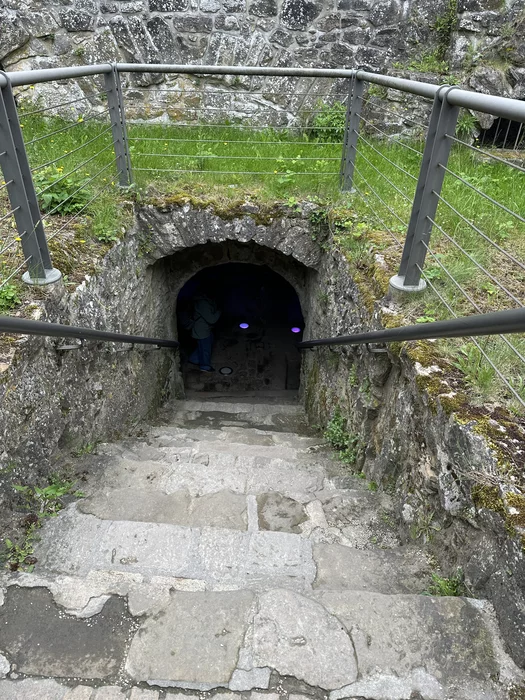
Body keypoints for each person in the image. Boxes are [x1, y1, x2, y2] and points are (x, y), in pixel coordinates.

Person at [188, 288, 221, 372]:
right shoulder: (203, 303)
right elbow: (212, 319)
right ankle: (205, 366)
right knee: (205, 348)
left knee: (204, 345)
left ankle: (194, 359)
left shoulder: (206, 300)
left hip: (205, 329)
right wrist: (219, 312)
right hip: (201, 331)